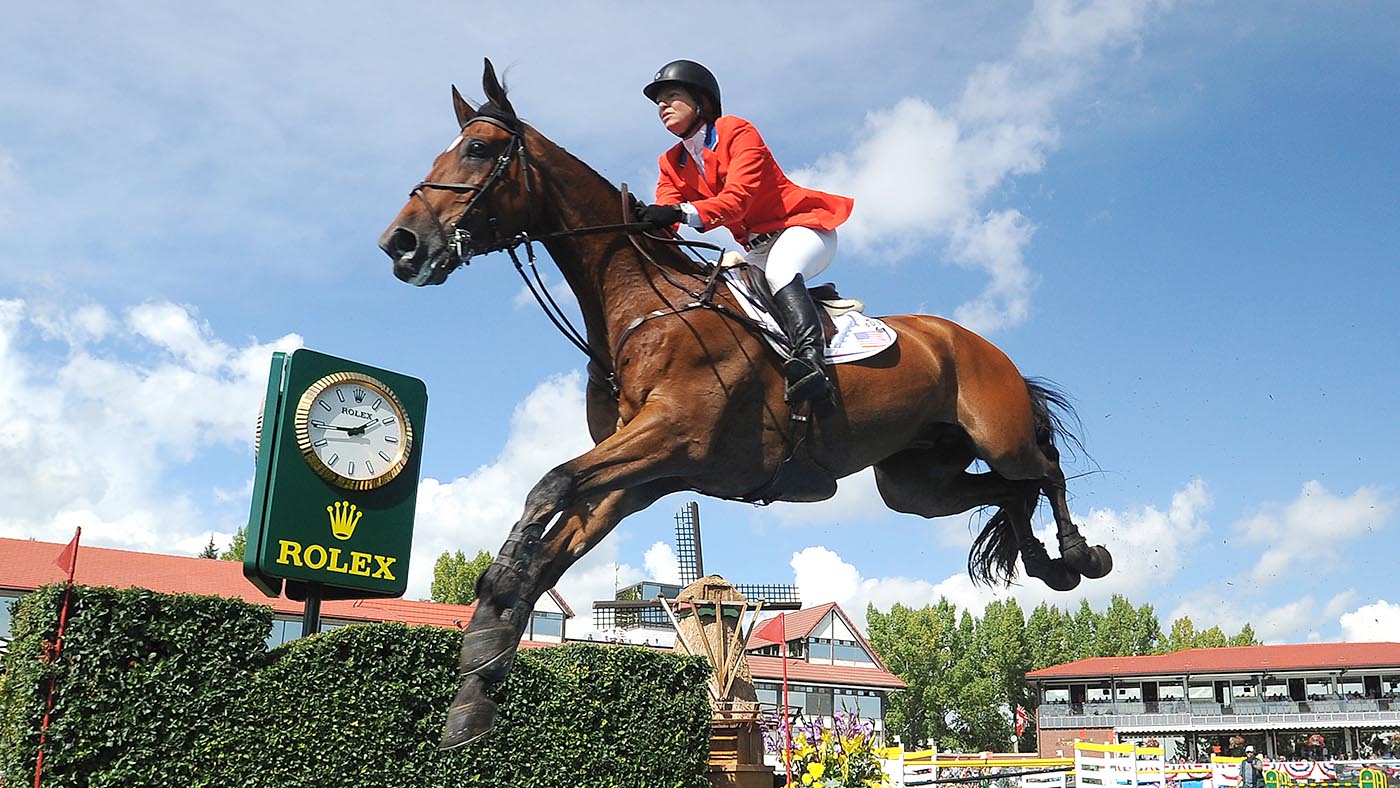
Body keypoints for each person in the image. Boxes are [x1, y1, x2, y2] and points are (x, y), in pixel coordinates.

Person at [637, 59, 855, 404]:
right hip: (757, 249)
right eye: (658, 101)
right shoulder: (671, 162)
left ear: (701, 102)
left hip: (801, 228)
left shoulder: (736, 131)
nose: (662, 105)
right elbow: (669, 218)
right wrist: (642, 223)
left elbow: (736, 201)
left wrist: (676, 212)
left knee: (782, 271)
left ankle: (813, 365)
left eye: (672, 95)